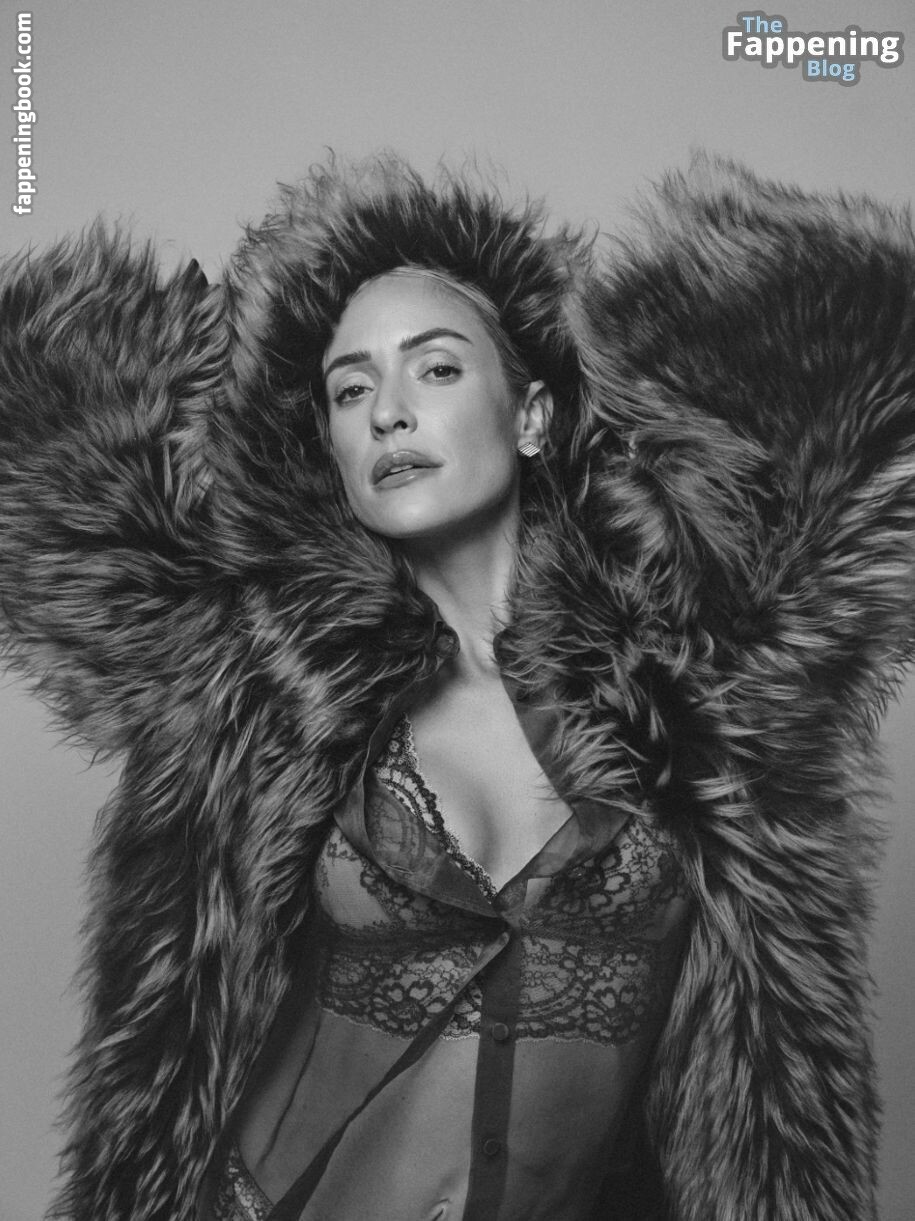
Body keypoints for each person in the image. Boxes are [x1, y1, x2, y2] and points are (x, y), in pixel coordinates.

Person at [0, 153, 913, 1221]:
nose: (389, 414)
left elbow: (863, 346)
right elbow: (40, 421)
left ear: (530, 417)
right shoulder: (252, 678)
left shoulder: (699, 679)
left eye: (435, 370)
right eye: (350, 390)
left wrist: (654, 341)